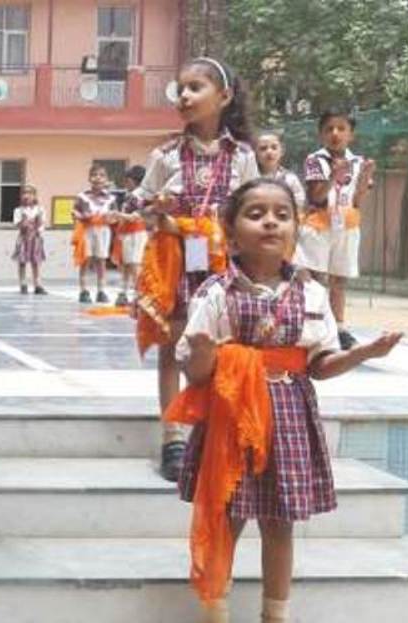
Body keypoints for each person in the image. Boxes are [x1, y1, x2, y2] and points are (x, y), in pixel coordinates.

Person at [168, 178, 402, 623]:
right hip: (232, 421)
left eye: (281, 214)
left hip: (289, 419)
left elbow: (320, 365)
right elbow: (196, 374)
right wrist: (201, 354)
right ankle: (215, 612)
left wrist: (363, 354)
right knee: (226, 517)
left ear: (296, 227)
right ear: (231, 230)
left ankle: (275, 615)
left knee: (280, 523)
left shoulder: (312, 293)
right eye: (255, 214)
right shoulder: (216, 293)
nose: (270, 222)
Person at [129, 57, 260, 481]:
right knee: (172, 347)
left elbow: (253, 208)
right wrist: (156, 207)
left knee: (220, 348)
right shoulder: (165, 155)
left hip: (223, 265)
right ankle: (173, 439)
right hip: (175, 262)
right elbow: (137, 204)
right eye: (180, 89)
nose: (184, 96)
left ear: (224, 96)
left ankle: (213, 432)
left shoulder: (242, 157)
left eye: (195, 87)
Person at [294, 109, 375, 351]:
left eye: (341, 128)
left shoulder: (358, 162)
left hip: (347, 225)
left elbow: (358, 199)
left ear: (351, 134)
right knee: (315, 279)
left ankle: (339, 328)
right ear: (321, 134)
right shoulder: (315, 160)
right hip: (319, 225)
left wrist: (364, 179)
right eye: (329, 129)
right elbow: (317, 196)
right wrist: (334, 176)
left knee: (339, 280)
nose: (335, 133)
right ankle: (315, 325)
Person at [73, 164, 117, 304]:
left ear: (106, 179)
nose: (98, 178)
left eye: (101, 175)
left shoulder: (111, 198)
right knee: (85, 259)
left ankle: (101, 291)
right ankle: (83, 290)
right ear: (89, 178)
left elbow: (115, 216)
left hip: (103, 230)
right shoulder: (82, 197)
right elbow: (74, 212)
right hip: (87, 229)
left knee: (101, 260)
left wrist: (111, 218)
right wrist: (81, 216)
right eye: (94, 175)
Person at [113, 165, 148, 307]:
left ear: (134, 180)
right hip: (127, 232)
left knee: (134, 263)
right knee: (126, 264)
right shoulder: (131, 195)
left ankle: (140, 294)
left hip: (135, 232)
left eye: (127, 181)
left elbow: (135, 216)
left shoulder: (138, 195)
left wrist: (117, 215)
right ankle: (122, 293)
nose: (125, 183)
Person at [253, 132, 306, 208]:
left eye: (274, 148)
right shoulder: (249, 177)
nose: (269, 152)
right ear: (255, 153)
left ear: (282, 151)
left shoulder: (290, 179)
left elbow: (299, 203)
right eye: (263, 148)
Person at [11, 184, 46, 294]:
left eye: (30, 193)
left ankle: (37, 284)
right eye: (24, 193)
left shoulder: (40, 210)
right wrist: (23, 223)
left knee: (36, 262)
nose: (27, 196)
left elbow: (42, 224)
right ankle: (23, 283)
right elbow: (17, 224)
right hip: (23, 238)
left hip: (36, 238)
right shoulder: (18, 210)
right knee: (22, 261)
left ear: (34, 196)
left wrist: (39, 230)